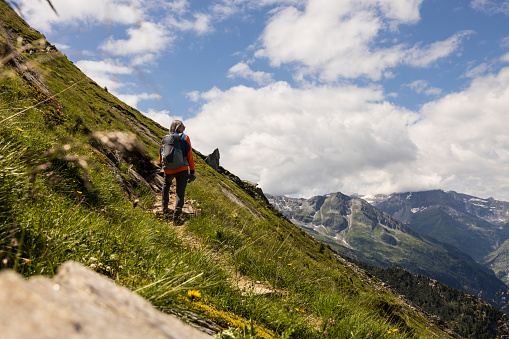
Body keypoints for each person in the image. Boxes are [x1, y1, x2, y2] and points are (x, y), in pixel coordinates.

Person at [159, 120, 195, 224]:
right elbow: (190, 156)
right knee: (180, 192)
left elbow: (161, 155)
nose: (184, 128)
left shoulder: (165, 139)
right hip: (182, 168)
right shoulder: (185, 138)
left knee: (166, 185)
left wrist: (164, 167)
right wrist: (192, 171)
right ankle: (176, 217)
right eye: (183, 126)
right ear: (178, 127)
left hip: (168, 169)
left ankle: (164, 207)